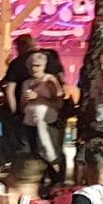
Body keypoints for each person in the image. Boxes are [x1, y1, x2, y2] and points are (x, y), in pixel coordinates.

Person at [15, 48, 67, 177]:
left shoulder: (50, 80)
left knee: (51, 151)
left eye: (37, 65)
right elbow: (22, 106)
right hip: (30, 122)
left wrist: (39, 97)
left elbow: (59, 103)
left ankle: (57, 178)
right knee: (35, 153)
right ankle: (41, 179)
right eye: (32, 66)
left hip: (48, 122)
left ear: (44, 66)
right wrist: (26, 101)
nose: (34, 68)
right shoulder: (26, 83)